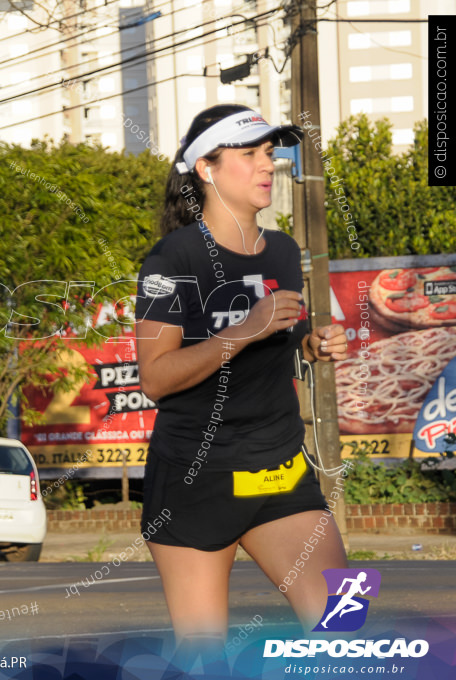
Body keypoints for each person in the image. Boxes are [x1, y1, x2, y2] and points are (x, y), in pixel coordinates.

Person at [134, 105, 349, 659]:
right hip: (195, 479)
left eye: (270, 153)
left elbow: (288, 342)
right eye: (249, 154)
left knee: (349, 631)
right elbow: (155, 378)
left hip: (280, 467)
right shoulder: (168, 259)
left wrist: (313, 346)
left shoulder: (282, 248)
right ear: (205, 168)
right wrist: (244, 330)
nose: (267, 165)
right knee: (204, 658)